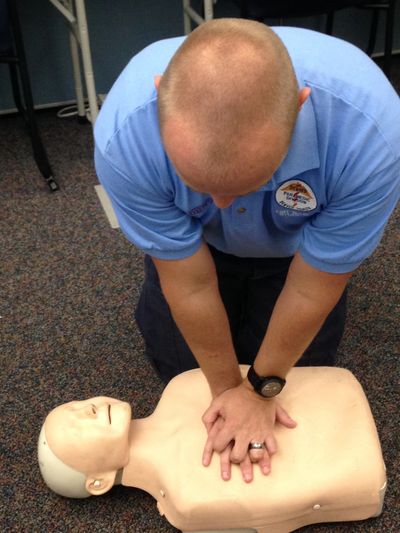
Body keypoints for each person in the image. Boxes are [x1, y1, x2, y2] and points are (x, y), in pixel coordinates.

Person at [94, 19, 400, 483]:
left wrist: (260, 390)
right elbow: (189, 281)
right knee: (184, 376)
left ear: (300, 108)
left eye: (247, 183)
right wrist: (225, 388)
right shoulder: (125, 135)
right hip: (197, 245)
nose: (219, 204)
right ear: (160, 97)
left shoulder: (372, 136)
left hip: (297, 249)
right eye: (200, 184)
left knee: (303, 377)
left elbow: (312, 287)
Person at [38, 367, 387, 533]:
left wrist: (256, 398)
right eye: (76, 426)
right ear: (97, 482)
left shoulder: (181, 385)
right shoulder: (188, 500)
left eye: (77, 404)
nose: (90, 408)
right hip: (352, 467)